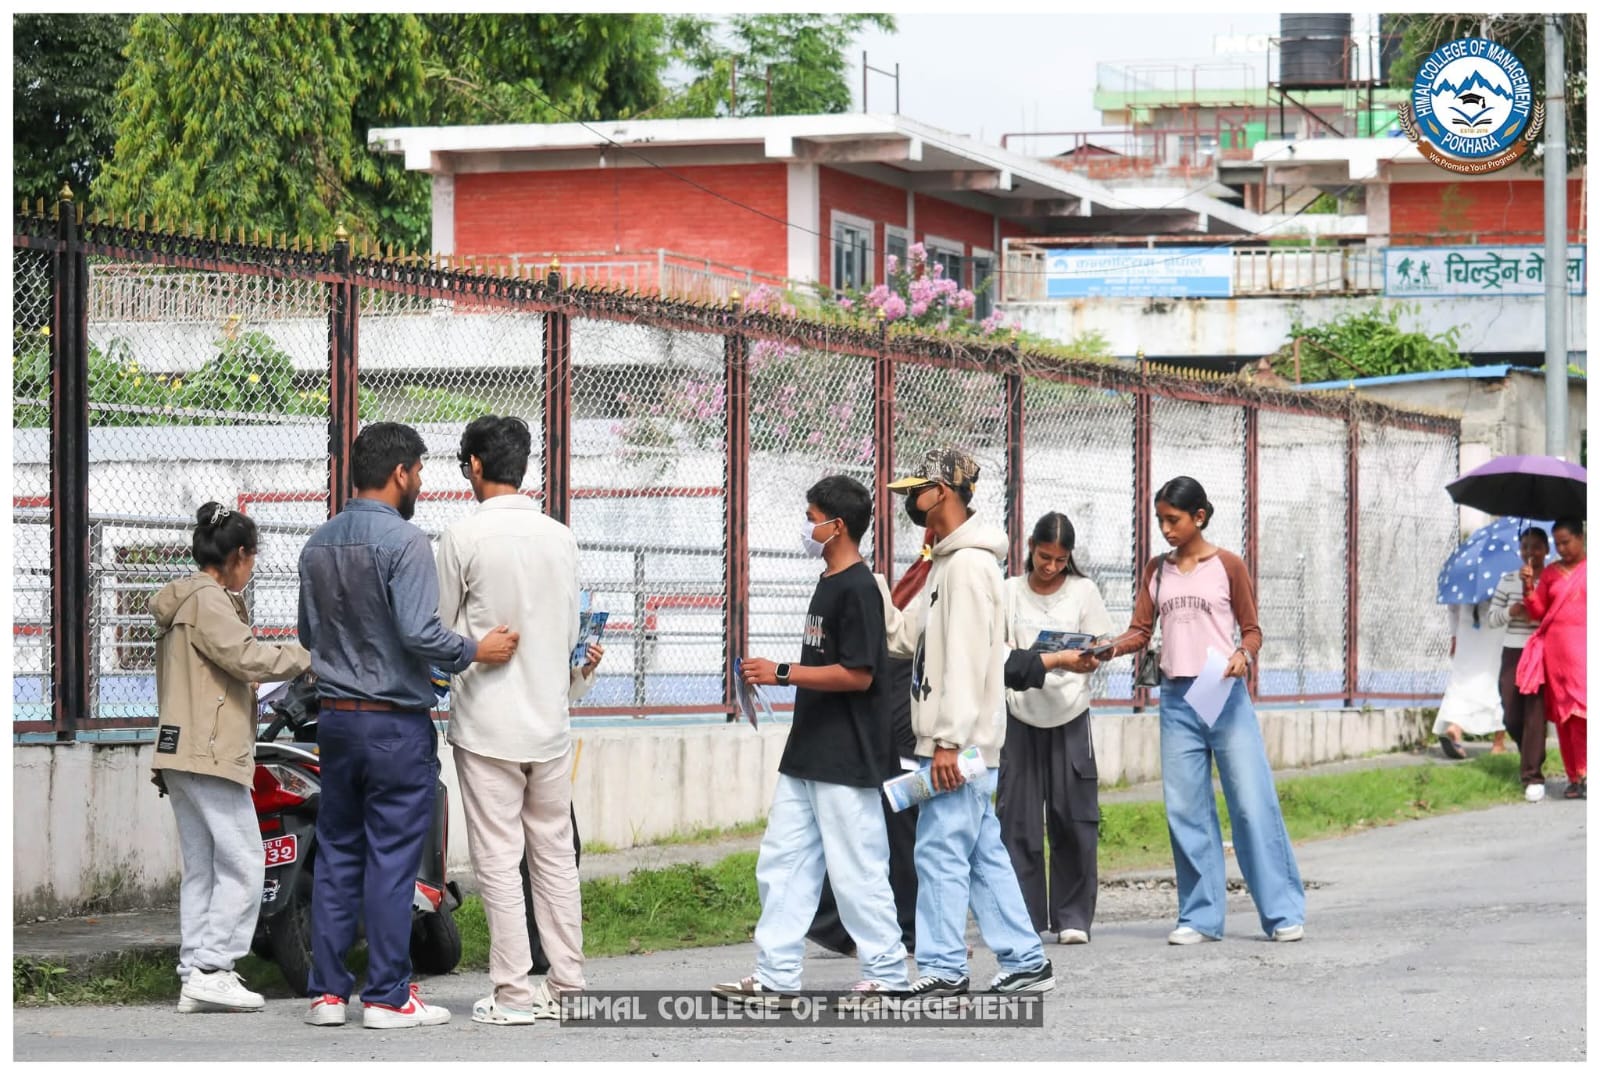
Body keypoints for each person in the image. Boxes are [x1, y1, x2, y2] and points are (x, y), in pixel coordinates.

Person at [298, 422, 520, 1029]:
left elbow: (308, 637)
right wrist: (478, 650)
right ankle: (389, 995)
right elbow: (421, 633)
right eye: (419, 471)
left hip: (336, 723)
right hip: (394, 725)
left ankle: (326, 995)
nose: (421, 481)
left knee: (339, 852)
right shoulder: (405, 542)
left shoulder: (316, 544)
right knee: (393, 859)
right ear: (400, 473)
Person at [714, 475, 911, 1004]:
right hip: (807, 751)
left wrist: (782, 671)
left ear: (836, 525)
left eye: (812, 516)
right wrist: (784, 674)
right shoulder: (828, 580)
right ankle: (776, 974)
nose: (807, 526)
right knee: (783, 862)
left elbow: (860, 674)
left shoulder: (861, 588)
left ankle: (887, 972)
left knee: (856, 867)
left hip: (848, 755)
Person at [435, 415, 602, 1024]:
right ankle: (569, 988)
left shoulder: (461, 537)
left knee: (500, 860)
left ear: (476, 467)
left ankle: (511, 993)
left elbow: (438, 630)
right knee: (555, 856)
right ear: (522, 464)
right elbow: (566, 637)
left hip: (486, 726)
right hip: (550, 724)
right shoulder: (561, 536)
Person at [1097, 476, 1305, 945]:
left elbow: (1252, 630)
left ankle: (1282, 911)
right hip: (1175, 699)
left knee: (1251, 805)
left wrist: (1243, 656)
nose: (1166, 529)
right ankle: (1199, 916)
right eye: (1160, 521)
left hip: (1222, 692)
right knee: (1186, 810)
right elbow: (1140, 630)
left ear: (1199, 517)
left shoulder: (1228, 565)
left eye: (1173, 520)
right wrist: (1106, 650)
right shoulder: (1156, 570)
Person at [881, 447, 1055, 997]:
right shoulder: (946, 564)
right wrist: (873, 584)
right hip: (961, 741)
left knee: (939, 851)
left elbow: (964, 662)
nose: (910, 500)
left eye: (918, 489)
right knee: (982, 853)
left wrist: (949, 743)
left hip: (960, 743)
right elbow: (904, 638)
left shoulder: (971, 567)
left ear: (945, 493)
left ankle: (942, 970)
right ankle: (1026, 960)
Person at [150, 503, 312, 1014]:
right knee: (246, 860)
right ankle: (214, 966)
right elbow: (245, 656)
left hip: (182, 750)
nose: (254, 567)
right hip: (210, 751)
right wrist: (309, 655)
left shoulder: (185, 601)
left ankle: (195, 969)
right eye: (253, 557)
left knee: (204, 866)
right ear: (239, 556)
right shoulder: (209, 600)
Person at [997, 512, 1113, 946]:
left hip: (1070, 712)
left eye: (1060, 561)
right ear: (1030, 546)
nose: (1050, 567)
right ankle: (1022, 917)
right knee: (1018, 819)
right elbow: (998, 647)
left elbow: (1102, 641)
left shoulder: (1083, 591)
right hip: (1019, 713)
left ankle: (1074, 916)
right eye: (1044, 557)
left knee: (1073, 816)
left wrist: (1095, 652)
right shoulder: (1008, 591)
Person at [1517, 518, 1587, 799]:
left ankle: (1586, 771)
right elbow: (1536, 612)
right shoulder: (1550, 574)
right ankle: (1575, 777)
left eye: (1566, 542)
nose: (1561, 548)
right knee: (1564, 718)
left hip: (1585, 650)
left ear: (1581, 538)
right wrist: (1528, 587)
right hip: (1556, 653)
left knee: (1584, 710)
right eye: (1557, 543)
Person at [1487, 527, 1550, 800]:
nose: (1530, 552)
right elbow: (1491, 618)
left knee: (1535, 715)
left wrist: (1534, 601)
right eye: (1525, 546)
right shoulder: (1508, 579)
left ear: (1547, 550)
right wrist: (1511, 611)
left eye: (1536, 546)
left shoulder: (1551, 578)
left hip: (1540, 651)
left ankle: (1532, 777)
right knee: (1511, 714)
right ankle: (1533, 754)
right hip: (1513, 651)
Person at [1432, 594, 1508, 760]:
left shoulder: (1466, 573)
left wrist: (1454, 635)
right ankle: (1498, 743)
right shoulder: (1506, 573)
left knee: (1462, 679)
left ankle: (1456, 726)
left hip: (1467, 625)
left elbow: (1452, 607)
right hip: (1495, 625)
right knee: (1495, 680)